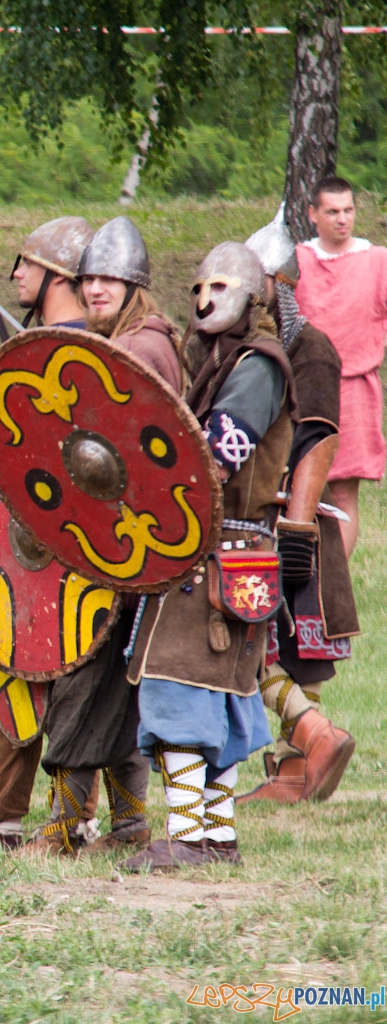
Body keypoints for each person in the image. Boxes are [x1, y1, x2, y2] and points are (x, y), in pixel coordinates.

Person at [122, 243, 293, 872]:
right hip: (217, 549)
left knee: (182, 686)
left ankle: (190, 835)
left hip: (221, 553)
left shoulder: (257, 365)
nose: (204, 300)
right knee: (212, 691)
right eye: (198, 287)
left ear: (251, 296)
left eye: (220, 287)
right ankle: (215, 836)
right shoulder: (219, 361)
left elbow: (217, 458)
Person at [22, 216, 177, 857]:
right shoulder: (130, 340)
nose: (95, 288)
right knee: (112, 684)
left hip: (125, 539)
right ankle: (130, 824)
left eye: (109, 277)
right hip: (115, 539)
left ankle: (64, 827)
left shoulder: (140, 349)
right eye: (88, 277)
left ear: (134, 281)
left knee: (84, 676)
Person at [0, 216, 95, 850]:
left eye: (26, 264)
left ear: (57, 275)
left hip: (73, 541)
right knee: (8, 663)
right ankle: (3, 814)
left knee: (71, 675)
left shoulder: (84, 347)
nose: (14, 273)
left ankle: (78, 817)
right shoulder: (33, 346)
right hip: (18, 536)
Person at [239, 216, 358, 805]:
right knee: (270, 640)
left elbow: (319, 437)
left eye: (252, 279)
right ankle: (293, 769)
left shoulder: (308, 346)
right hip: (263, 513)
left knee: (263, 638)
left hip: (295, 520)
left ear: (276, 284)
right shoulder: (253, 347)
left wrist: (295, 530)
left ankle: (312, 740)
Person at [293, 176, 387, 556]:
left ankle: (337, 590)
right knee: (300, 492)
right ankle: (302, 582)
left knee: (345, 495)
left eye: (348, 210)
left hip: (355, 391)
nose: (342, 219)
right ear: (313, 214)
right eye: (332, 211)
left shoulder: (377, 261)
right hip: (304, 390)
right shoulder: (296, 259)